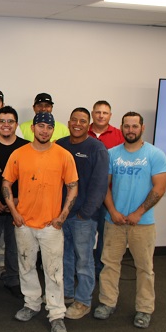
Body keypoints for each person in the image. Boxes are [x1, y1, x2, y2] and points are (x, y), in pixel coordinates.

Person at [3, 112, 78, 332]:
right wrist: (14, 212)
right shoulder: (19, 154)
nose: (44, 131)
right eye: (41, 126)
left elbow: (73, 186)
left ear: (53, 130)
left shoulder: (64, 156)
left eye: (49, 127)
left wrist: (63, 215)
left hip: (50, 226)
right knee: (26, 266)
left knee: (54, 271)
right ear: (33, 128)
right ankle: (32, 304)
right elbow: (6, 182)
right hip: (24, 223)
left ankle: (56, 315)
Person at [94, 112, 166, 329]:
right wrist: (112, 210)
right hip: (114, 221)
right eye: (126, 126)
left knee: (145, 267)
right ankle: (107, 303)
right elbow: (103, 186)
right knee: (109, 264)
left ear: (142, 128)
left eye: (134, 126)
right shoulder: (112, 154)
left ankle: (144, 309)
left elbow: (160, 188)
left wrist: (138, 213)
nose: (130, 130)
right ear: (121, 127)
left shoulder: (155, 154)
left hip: (143, 223)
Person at [56, 107, 109, 319]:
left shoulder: (97, 148)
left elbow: (99, 185)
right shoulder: (60, 145)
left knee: (84, 260)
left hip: (82, 218)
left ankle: (83, 301)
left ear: (89, 125)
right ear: (69, 122)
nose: (78, 124)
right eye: (74, 120)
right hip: (61, 215)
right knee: (64, 257)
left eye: (83, 121)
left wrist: (86, 213)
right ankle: (67, 293)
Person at [0, 106, 28, 297]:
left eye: (10, 121)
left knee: (14, 249)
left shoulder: (27, 147)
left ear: (16, 124)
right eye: (2, 121)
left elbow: (32, 180)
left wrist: (17, 200)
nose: (6, 125)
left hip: (18, 207)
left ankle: (12, 281)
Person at [87, 100, 125, 277]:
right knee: (84, 237)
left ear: (110, 116)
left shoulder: (119, 135)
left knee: (105, 235)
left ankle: (100, 270)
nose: (101, 115)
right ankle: (84, 269)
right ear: (92, 114)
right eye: (98, 112)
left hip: (108, 196)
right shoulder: (81, 132)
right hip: (85, 196)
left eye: (105, 113)